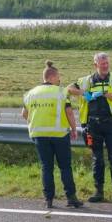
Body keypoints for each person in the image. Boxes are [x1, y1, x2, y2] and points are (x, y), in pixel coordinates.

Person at [21, 61, 82, 209]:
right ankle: (71, 198)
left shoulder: (31, 93)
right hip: (59, 134)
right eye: (58, 77)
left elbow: (24, 114)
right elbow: (69, 112)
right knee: (65, 167)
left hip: (39, 135)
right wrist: (74, 129)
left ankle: (48, 199)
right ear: (53, 77)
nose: (59, 80)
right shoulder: (61, 92)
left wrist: (35, 122)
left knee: (46, 167)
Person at [70, 52, 112, 204]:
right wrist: (85, 93)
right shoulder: (86, 80)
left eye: (107, 63)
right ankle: (99, 191)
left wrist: (103, 93)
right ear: (95, 64)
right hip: (93, 125)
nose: (105, 66)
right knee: (97, 159)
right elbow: (69, 89)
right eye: (102, 64)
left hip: (111, 124)